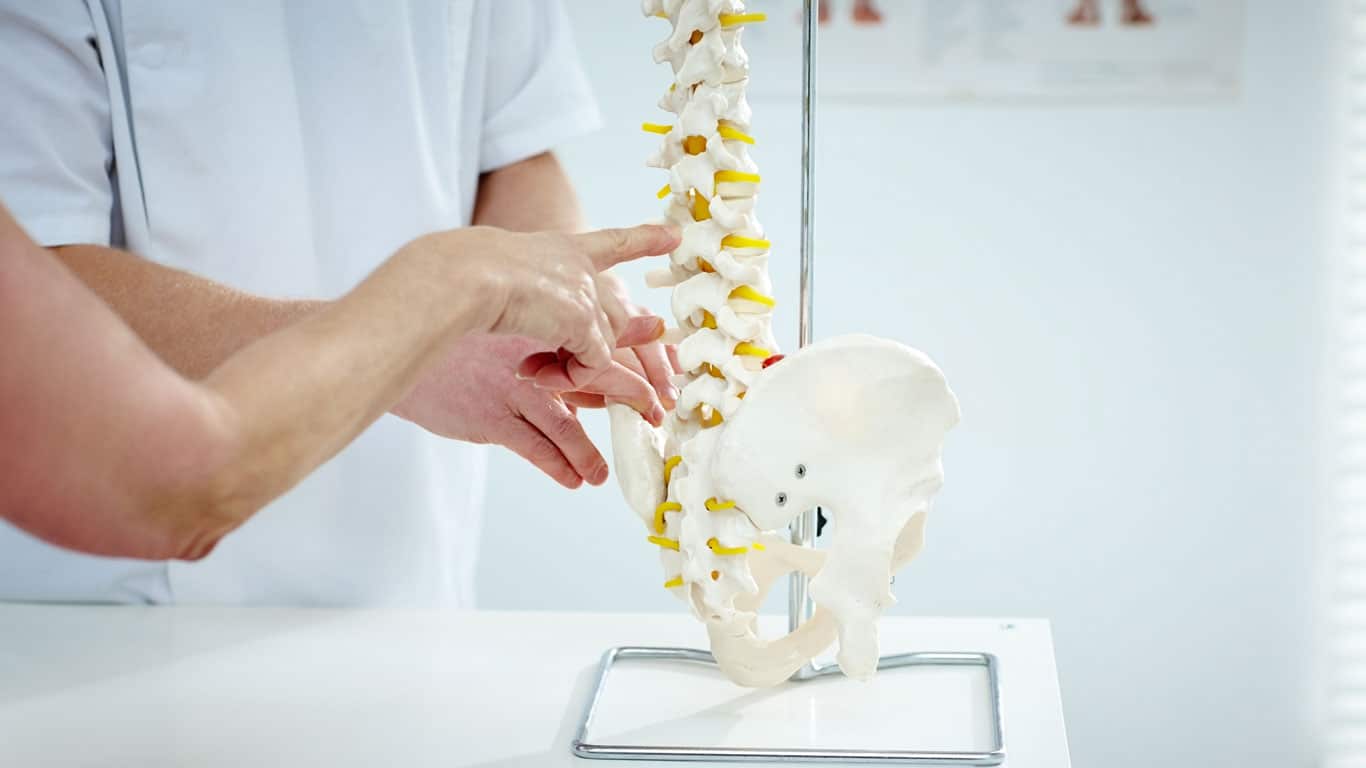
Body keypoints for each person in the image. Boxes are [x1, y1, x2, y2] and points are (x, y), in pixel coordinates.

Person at [0, 1, 673, 605]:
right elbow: (42, 272)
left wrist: (555, 290)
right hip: (115, 603)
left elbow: (515, 144)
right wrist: (419, 332)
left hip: (404, 557)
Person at [0, 203, 679, 561]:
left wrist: (552, 279)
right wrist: (442, 300)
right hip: (108, 629)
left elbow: (515, 141)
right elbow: (180, 485)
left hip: (409, 579)